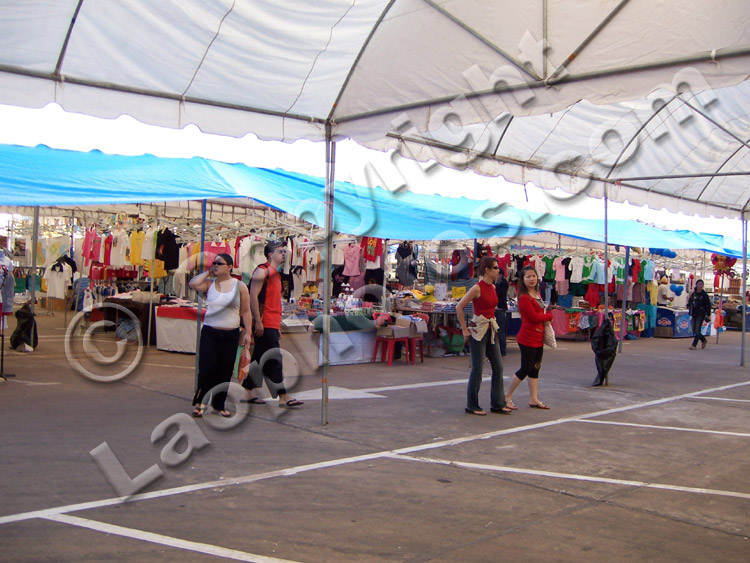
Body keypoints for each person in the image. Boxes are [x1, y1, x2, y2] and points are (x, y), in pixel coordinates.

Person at [189, 253, 253, 418]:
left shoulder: (239, 286)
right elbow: (193, 283)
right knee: (206, 368)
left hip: (230, 334)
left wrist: (248, 332)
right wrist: (208, 273)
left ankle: (219, 404)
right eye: (214, 263)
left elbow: (246, 311)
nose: (216, 265)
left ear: (229, 267)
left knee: (224, 370)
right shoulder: (210, 284)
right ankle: (200, 402)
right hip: (210, 332)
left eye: (219, 263)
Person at [241, 241, 304, 408]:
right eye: (279, 251)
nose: (283, 253)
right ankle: (283, 395)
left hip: (271, 322)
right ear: (270, 254)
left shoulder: (276, 274)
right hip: (264, 321)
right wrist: (258, 321)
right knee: (274, 358)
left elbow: (273, 301)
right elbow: (253, 297)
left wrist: (277, 326)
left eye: (284, 251)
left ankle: (247, 391)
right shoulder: (262, 271)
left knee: (260, 357)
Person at [456, 256, 512, 416]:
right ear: (487, 270)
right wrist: (464, 329)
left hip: (490, 328)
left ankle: (498, 403)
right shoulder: (477, 288)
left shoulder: (493, 287)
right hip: (478, 330)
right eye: (495, 268)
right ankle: (472, 405)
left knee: (498, 367)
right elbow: (459, 306)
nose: (498, 271)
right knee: (477, 369)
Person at [505, 265, 553, 410]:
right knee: (525, 368)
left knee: (535, 368)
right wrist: (549, 316)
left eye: (533, 276)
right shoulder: (524, 297)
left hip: (538, 337)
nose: (532, 279)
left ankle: (534, 398)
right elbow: (533, 317)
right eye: (528, 277)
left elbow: (539, 314)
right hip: (527, 338)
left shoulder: (537, 293)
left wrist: (545, 316)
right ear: (523, 279)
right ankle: (507, 396)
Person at [687, 279, 711, 350]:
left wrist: (708, 314)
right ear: (696, 285)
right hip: (693, 313)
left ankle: (694, 345)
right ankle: (703, 339)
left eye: (702, 284)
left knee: (697, 329)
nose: (700, 286)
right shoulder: (693, 294)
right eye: (699, 284)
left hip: (701, 314)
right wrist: (688, 306)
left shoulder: (704, 295)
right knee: (694, 330)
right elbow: (690, 301)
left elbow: (708, 305)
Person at [494, 267, 509, 358]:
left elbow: (500, 293)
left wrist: (495, 287)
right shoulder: (493, 283)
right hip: (494, 309)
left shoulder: (503, 283)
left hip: (500, 309)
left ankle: (503, 352)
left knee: (501, 331)